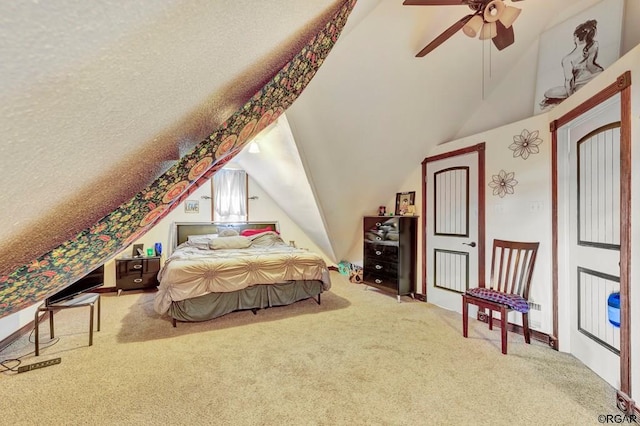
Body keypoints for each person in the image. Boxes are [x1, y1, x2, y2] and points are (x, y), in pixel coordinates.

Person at [539, 19, 604, 111]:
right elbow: (591, 65)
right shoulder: (594, 45)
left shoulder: (568, 59)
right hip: (598, 75)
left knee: (549, 92)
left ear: (575, 36)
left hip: (581, 86)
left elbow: (569, 82)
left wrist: (571, 101)